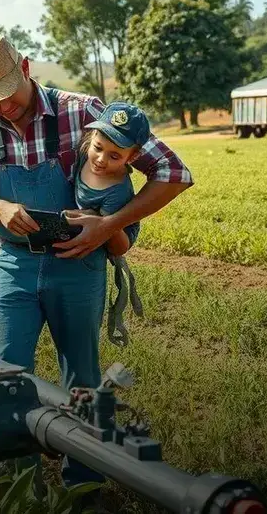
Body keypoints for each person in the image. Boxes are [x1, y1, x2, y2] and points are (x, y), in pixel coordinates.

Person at [0, 35, 194, 502]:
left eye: (7, 93)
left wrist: (108, 227)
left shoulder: (83, 112)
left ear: (25, 66)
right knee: (6, 377)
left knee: (81, 378)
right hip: (13, 266)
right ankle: (22, 485)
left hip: (79, 268)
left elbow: (172, 173)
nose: (1, 107)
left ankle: (82, 483)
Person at [69, 101, 152, 348]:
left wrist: (105, 224)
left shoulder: (117, 192)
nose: (101, 160)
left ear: (133, 157)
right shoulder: (84, 154)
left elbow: (119, 246)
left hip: (106, 245)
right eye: (98, 148)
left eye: (115, 156)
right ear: (92, 136)